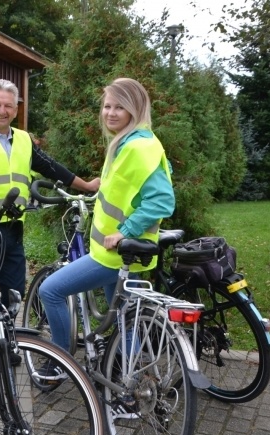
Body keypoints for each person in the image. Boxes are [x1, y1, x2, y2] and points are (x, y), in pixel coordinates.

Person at [35, 78, 176, 380]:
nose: (110, 113)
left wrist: (126, 230)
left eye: (119, 107)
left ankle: (60, 360)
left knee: (51, 290)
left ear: (134, 110)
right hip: (118, 252)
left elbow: (163, 200)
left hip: (113, 255)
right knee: (125, 320)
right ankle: (133, 384)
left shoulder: (138, 147)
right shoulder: (130, 143)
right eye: (107, 106)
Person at [0, 78, 99, 337]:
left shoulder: (24, 140)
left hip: (13, 228)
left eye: (8, 105)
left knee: (14, 288)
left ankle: (5, 339)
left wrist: (86, 186)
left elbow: (51, 167)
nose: (2, 111)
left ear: (16, 109)